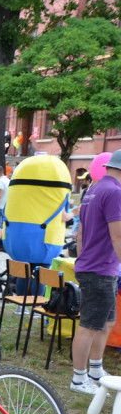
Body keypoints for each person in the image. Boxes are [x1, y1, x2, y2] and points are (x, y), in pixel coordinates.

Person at [69, 149, 121, 395]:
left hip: (96, 266)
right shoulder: (114, 192)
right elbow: (118, 235)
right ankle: (79, 378)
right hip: (100, 269)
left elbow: (79, 233)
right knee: (89, 325)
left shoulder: (94, 189)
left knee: (106, 321)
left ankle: (95, 369)